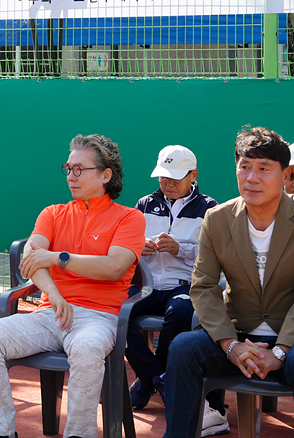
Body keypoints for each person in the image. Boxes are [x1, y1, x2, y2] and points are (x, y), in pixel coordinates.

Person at [0, 134, 145, 438]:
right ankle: (1, 432)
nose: (71, 176)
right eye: (68, 168)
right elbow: (31, 259)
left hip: (99, 318)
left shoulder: (129, 218)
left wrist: (57, 258)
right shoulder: (52, 213)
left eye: (80, 169)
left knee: (87, 347)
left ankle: (78, 434)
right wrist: (53, 293)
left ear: (106, 175)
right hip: (50, 313)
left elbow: (113, 267)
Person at [162, 127, 294, 438]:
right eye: (245, 167)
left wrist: (280, 352)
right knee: (183, 347)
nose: (252, 178)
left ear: (284, 174)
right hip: (237, 333)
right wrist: (230, 345)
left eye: (264, 169)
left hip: (291, 338)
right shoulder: (217, 218)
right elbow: (204, 286)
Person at [126, 145, 225, 433]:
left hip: (184, 286)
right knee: (116, 313)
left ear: (194, 175)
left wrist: (181, 248)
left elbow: (217, 255)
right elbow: (125, 243)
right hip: (146, 286)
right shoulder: (143, 203)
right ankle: (158, 378)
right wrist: (136, 247)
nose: (166, 184)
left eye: (174, 178)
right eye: (162, 178)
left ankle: (147, 382)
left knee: (182, 311)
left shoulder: (210, 207)